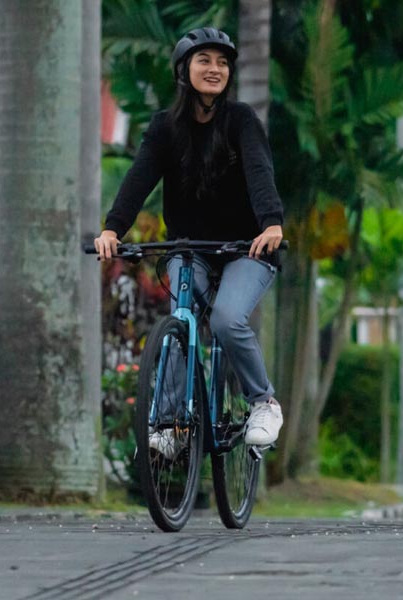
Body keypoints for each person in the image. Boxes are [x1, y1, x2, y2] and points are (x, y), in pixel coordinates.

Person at [94, 27, 284, 451]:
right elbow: (139, 177)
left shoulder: (241, 120)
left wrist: (271, 222)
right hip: (189, 249)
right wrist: (112, 229)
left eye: (222, 62)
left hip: (246, 249)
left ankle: (262, 402)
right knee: (182, 319)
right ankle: (170, 424)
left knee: (226, 319)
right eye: (204, 61)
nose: (215, 69)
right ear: (184, 70)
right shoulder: (165, 128)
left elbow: (258, 171)